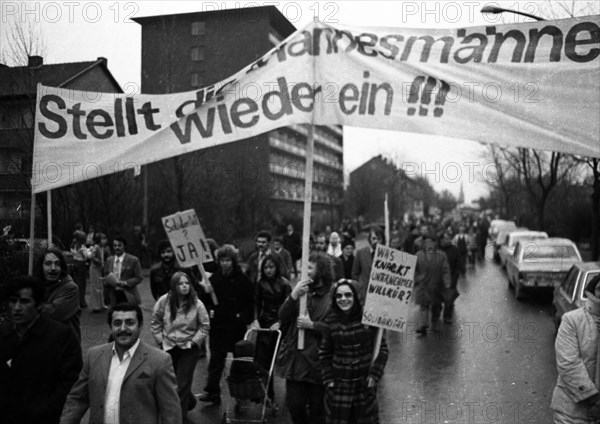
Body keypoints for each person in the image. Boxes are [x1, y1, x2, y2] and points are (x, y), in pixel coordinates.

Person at [60, 303, 181, 424]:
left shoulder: (160, 360)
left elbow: (171, 412)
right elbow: (77, 399)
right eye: (117, 323)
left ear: (141, 326)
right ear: (110, 327)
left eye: (130, 323)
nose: (123, 328)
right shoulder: (94, 355)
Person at [0, 276, 82, 424]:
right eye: (13, 301)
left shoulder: (60, 336)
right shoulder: (3, 334)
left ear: (39, 305)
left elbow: (71, 381)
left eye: (24, 301)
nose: (17, 308)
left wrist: (46, 409)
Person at [319, 280, 388, 424]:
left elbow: (382, 349)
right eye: (339, 296)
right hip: (339, 390)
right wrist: (329, 381)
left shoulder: (370, 319)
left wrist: (374, 376)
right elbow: (325, 353)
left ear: (356, 296)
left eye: (348, 295)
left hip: (363, 389)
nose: (343, 299)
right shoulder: (330, 321)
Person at [276, 252, 333, 424]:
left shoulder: (332, 296)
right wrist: (293, 297)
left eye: (309, 268)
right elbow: (282, 316)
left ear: (321, 271)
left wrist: (312, 325)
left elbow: (336, 330)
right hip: (295, 361)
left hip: (317, 362)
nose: (304, 271)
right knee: (295, 406)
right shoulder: (301, 290)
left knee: (317, 410)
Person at [198, 245, 254, 404]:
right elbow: (206, 303)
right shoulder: (213, 280)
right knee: (216, 361)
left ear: (233, 261)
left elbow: (250, 302)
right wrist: (207, 299)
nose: (225, 263)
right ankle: (212, 392)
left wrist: (244, 318)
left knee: (240, 361)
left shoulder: (243, 279)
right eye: (222, 260)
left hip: (236, 326)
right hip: (219, 327)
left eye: (228, 260)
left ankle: (242, 393)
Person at [151, 271, 210, 419]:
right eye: (180, 284)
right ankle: (189, 402)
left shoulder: (196, 303)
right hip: (169, 346)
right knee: (171, 383)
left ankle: (178, 417)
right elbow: (156, 322)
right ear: (174, 286)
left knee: (182, 383)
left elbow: (204, 325)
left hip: (188, 348)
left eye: (187, 283)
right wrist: (160, 340)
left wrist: (194, 341)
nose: (184, 287)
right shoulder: (164, 301)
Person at [551, 275, 600, 423]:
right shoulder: (572, 320)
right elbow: (568, 363)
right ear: (592, 291)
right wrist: (593, 400)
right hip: (571, 412)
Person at [35, 248, 81, 340]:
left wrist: (32, 305)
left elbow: (51, 314)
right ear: (41, 267)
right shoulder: (38, 285)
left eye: (57, 264)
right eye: (48, 264)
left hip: (64, 345)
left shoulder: (70, 288)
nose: (53, 268)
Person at [413, 234, 451, 335]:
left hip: (436, 285)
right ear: (423, 244)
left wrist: (447, 283)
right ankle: (423, 325)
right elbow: (412, 269)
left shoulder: (441, 255)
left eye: (431, 242)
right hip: (423, 285)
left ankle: (435, 323)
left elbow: (445, 270)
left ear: (435, 243)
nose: (429, 244)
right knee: (423, 306)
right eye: (426, 242)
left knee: (436, 306)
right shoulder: (418, 255)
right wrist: (414, 280)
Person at [103, 236, 143, 306]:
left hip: (128, 293)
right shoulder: (109, 260)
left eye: (119, 245)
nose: (117, 248)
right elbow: (106, 274)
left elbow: (139, 277)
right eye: (115, 246)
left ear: (124, 247)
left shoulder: (133, 260)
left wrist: (125, 283)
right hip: (113, 295)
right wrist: (106, 281)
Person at [352, 226, 385, 306]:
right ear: (369, 239)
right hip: (364, 294)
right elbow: (354, 274)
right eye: (374, 238)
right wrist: (359, 289)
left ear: (383, 240)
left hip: (382, 296)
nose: (376, 241)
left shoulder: (388, 255)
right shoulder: (360, 253)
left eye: (379, 239)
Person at [440, 232, 460, 324]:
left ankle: (447, 316)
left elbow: (457, 266)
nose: (448, 240)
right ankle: (436, 316)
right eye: (445, 238)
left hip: (451, 278)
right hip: (439, 278)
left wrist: (455, 278)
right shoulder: (437, 250)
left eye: (449, 238)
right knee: (437, 299)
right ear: (441, 240)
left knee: (449, 299)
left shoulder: (455, 250)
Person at [88, 232, 108, 312]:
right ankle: (95, 306)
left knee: (100, 286)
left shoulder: (102, 248)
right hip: (94, 269)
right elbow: (91, 257)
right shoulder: (96, 247)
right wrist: (98, 261)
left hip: (99, 269)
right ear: (99, 240)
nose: (104, 241)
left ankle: (101, 304)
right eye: (103, 239)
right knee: (95, 287)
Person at [70, 230, 89, 308]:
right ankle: (82, 301)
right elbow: (86, 256)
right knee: (82, 283)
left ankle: (76, 301)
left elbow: (72, 252)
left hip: (75, 262)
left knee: (76, 282)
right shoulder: (82, 247)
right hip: (81, 264)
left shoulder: (73, 245)